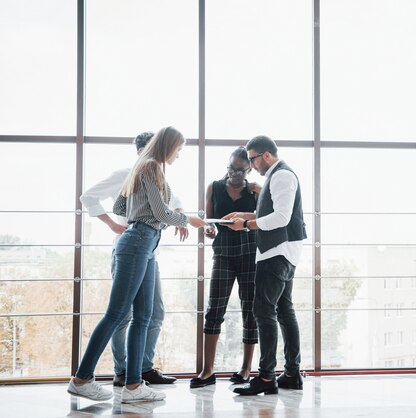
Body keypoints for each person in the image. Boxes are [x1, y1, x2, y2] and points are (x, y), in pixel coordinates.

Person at [67, 126, 206, 402]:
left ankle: (133, 386)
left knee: (143, 316)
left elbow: (120, 208)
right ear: (167, 145)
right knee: (117, 314)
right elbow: (160, 212)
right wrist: (189, 220)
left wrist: (141, 211)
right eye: (178, 150)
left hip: (145, 242)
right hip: (139, 241)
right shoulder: (153, 166)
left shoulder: (141, 169)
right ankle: (81, 379)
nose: (178, 155)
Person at [224, 135, 307, 396]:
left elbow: (281, 218)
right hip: (283, 251)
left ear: (266, 155)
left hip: (276, 252)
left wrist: (247, 225)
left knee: (263, 311)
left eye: (252, 159)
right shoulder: (278, 175)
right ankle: (291, 374)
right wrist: (245, 216)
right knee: (283, 310)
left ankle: (267, 377)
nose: (250, 165)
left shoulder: (281, 175)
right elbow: (273, 214)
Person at [190, 147, 261, 389]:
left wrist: (259, 196)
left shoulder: (255, 191)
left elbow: (265, 221)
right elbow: (208, 223)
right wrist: (208, 230)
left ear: (249, 168)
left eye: (241, 170)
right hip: (223, 253)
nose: (235, 174)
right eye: (232, 168)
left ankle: (246, 369)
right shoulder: (214, 187)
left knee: (250, 310)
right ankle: (207, 371)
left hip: (250, 254)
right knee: (214, 309)